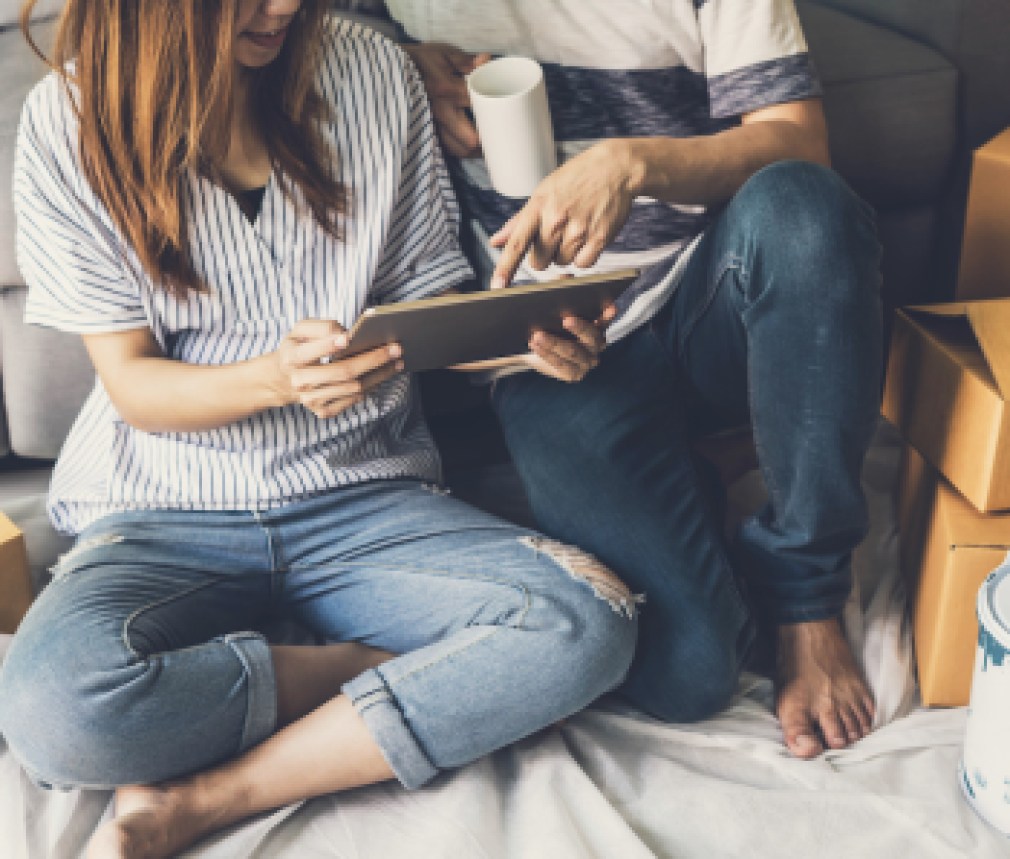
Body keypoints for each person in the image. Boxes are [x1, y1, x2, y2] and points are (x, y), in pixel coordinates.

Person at [0, 2, 639, 857]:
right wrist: (273, 378)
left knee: (589, 622)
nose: (286, 7)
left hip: (366, 496)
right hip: (160, 509)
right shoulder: (66, 122)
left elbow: (424, 314)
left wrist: (522, 345)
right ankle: (356, 664)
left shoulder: (374, 70)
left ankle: (211, 797)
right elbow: (135, 387)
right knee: (57, 717)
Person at [369, 0, 884, 759]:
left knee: (808, 211)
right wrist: (396, 60)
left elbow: (797, 139)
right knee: (688, 677)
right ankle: (700, 474)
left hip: (705, 290)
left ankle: (806, 592)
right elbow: (298, 36)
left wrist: (635, 164)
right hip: (546, 348)